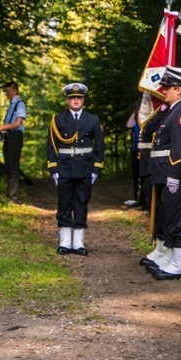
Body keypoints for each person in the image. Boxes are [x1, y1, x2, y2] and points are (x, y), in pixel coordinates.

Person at [147, 66, 181, 279]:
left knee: (178, 217)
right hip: (167, 172)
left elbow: (179, 145)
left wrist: (174, 174)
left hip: (176, 173)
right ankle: (172, 259)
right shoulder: (173, 111)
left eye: (168, 88)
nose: (163, 92)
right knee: (170, 215)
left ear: (179, 90)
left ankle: (179, 262)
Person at [46, 82, 104, 256]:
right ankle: (64, 241)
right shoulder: (57, 119)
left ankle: (78, 242)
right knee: (64, 204)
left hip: (85, 167)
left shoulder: (93, 119)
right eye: (72, 98)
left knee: (81, 203)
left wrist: (96, 169)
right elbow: (51, 145)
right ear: (67, 100)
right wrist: (53, 169)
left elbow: (99, 146)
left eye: (79, 97)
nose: (76, 100)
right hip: (64, 167)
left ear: (83, 99)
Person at [0, 81, 26, 203]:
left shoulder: (20, 104)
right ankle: (9, 195)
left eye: (9, 91)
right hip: (8, 136)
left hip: (15, 136)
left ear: (15, 90)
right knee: (8, 166)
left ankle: (13, 197)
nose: (7, 94)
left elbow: (17, 123)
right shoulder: (11, 105)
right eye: (6, 91)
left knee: (13, 167)